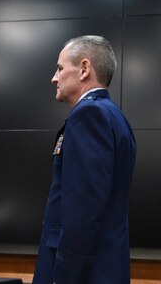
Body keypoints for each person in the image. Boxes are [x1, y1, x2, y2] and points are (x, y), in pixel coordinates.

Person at [32, 35, 136, 284]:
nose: (53, 78)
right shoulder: (114, 116)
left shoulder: (89, 115)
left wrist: (65, 275)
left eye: (59, 68)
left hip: (82, 272)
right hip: (105, 265)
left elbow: (84, 208)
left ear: (84, 69)